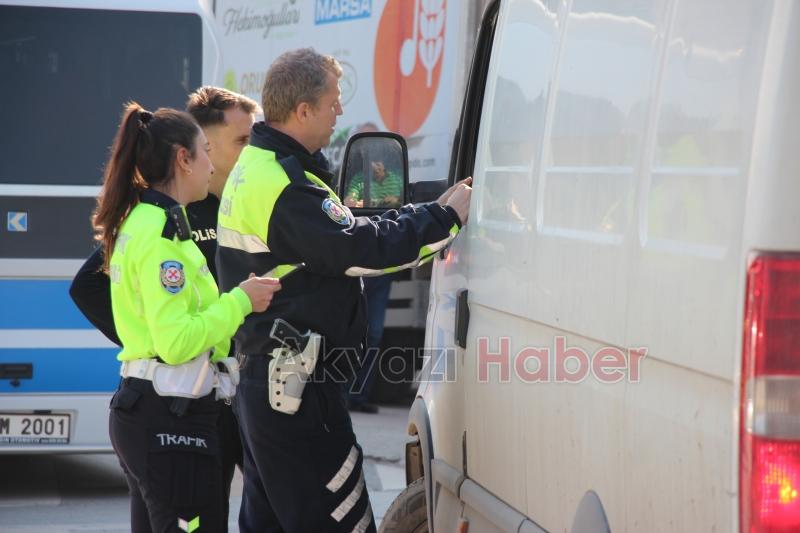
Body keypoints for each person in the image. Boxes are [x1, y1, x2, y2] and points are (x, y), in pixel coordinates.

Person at [215, 47, 471, 533]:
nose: (339, 112)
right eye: (333, 101)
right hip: (297, 394)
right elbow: (357, 248)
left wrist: (424, 209)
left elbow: (345, 227)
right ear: (303, 109)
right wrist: (446, 218)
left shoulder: (261, 165)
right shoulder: (284, 184)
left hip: (267, 385)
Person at [69, 86, 259, 529]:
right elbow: (174, 342)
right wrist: (239, 302)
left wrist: (148, 343)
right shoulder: (163, 232)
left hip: (174, 404)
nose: (213, 163)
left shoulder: (144, 219)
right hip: (172, 407)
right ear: (184, 158)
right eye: (210, 150)